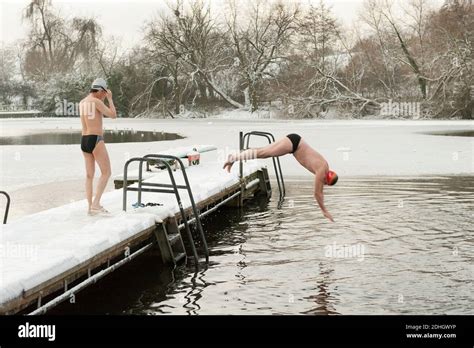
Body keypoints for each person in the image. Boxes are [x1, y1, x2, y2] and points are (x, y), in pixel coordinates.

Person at [223, 134, 338, 222]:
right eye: (325, 183)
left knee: (264, 152)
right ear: (327, 179)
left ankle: (239, 155)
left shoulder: (324, 167)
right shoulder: (321, 171)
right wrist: (324, 211)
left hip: (295, 142)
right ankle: (235, 157)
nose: (323, 184)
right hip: (295, 144)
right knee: (264, 153)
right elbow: (318, 193)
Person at [79, 78, 117, 216]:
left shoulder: (82, 102)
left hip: (84, 140)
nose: (104, 96)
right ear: (100, 90)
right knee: (106, 172)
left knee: (89, 175)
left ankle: (90, 207)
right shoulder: (96, 101)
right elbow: (113, 115)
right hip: (95, 139)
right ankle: (96, 204)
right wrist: (110, 100)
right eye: (104, 93)